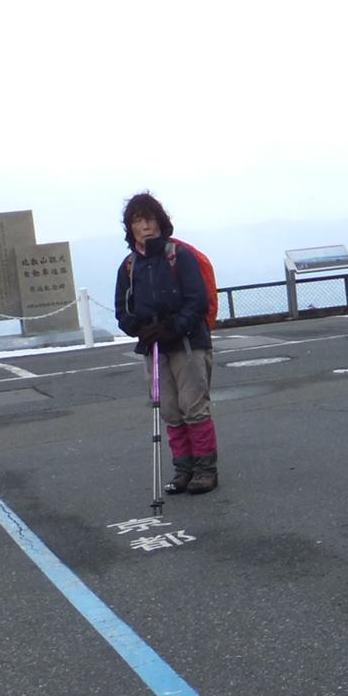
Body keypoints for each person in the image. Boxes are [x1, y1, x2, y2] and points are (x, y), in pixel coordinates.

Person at [115, 192, 219, 496]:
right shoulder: (129, 266)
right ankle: (183, 470)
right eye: (138, 221)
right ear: (130, 228)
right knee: (170, 410)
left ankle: (205, 470)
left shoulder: (178, 255)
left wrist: (172, 327)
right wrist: (140, 329)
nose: (145, 226)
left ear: (161, 222)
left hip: (187, 343)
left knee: (194, 407)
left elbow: (197, 301)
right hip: (155, 346)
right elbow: (122, 309)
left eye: (150, 219)